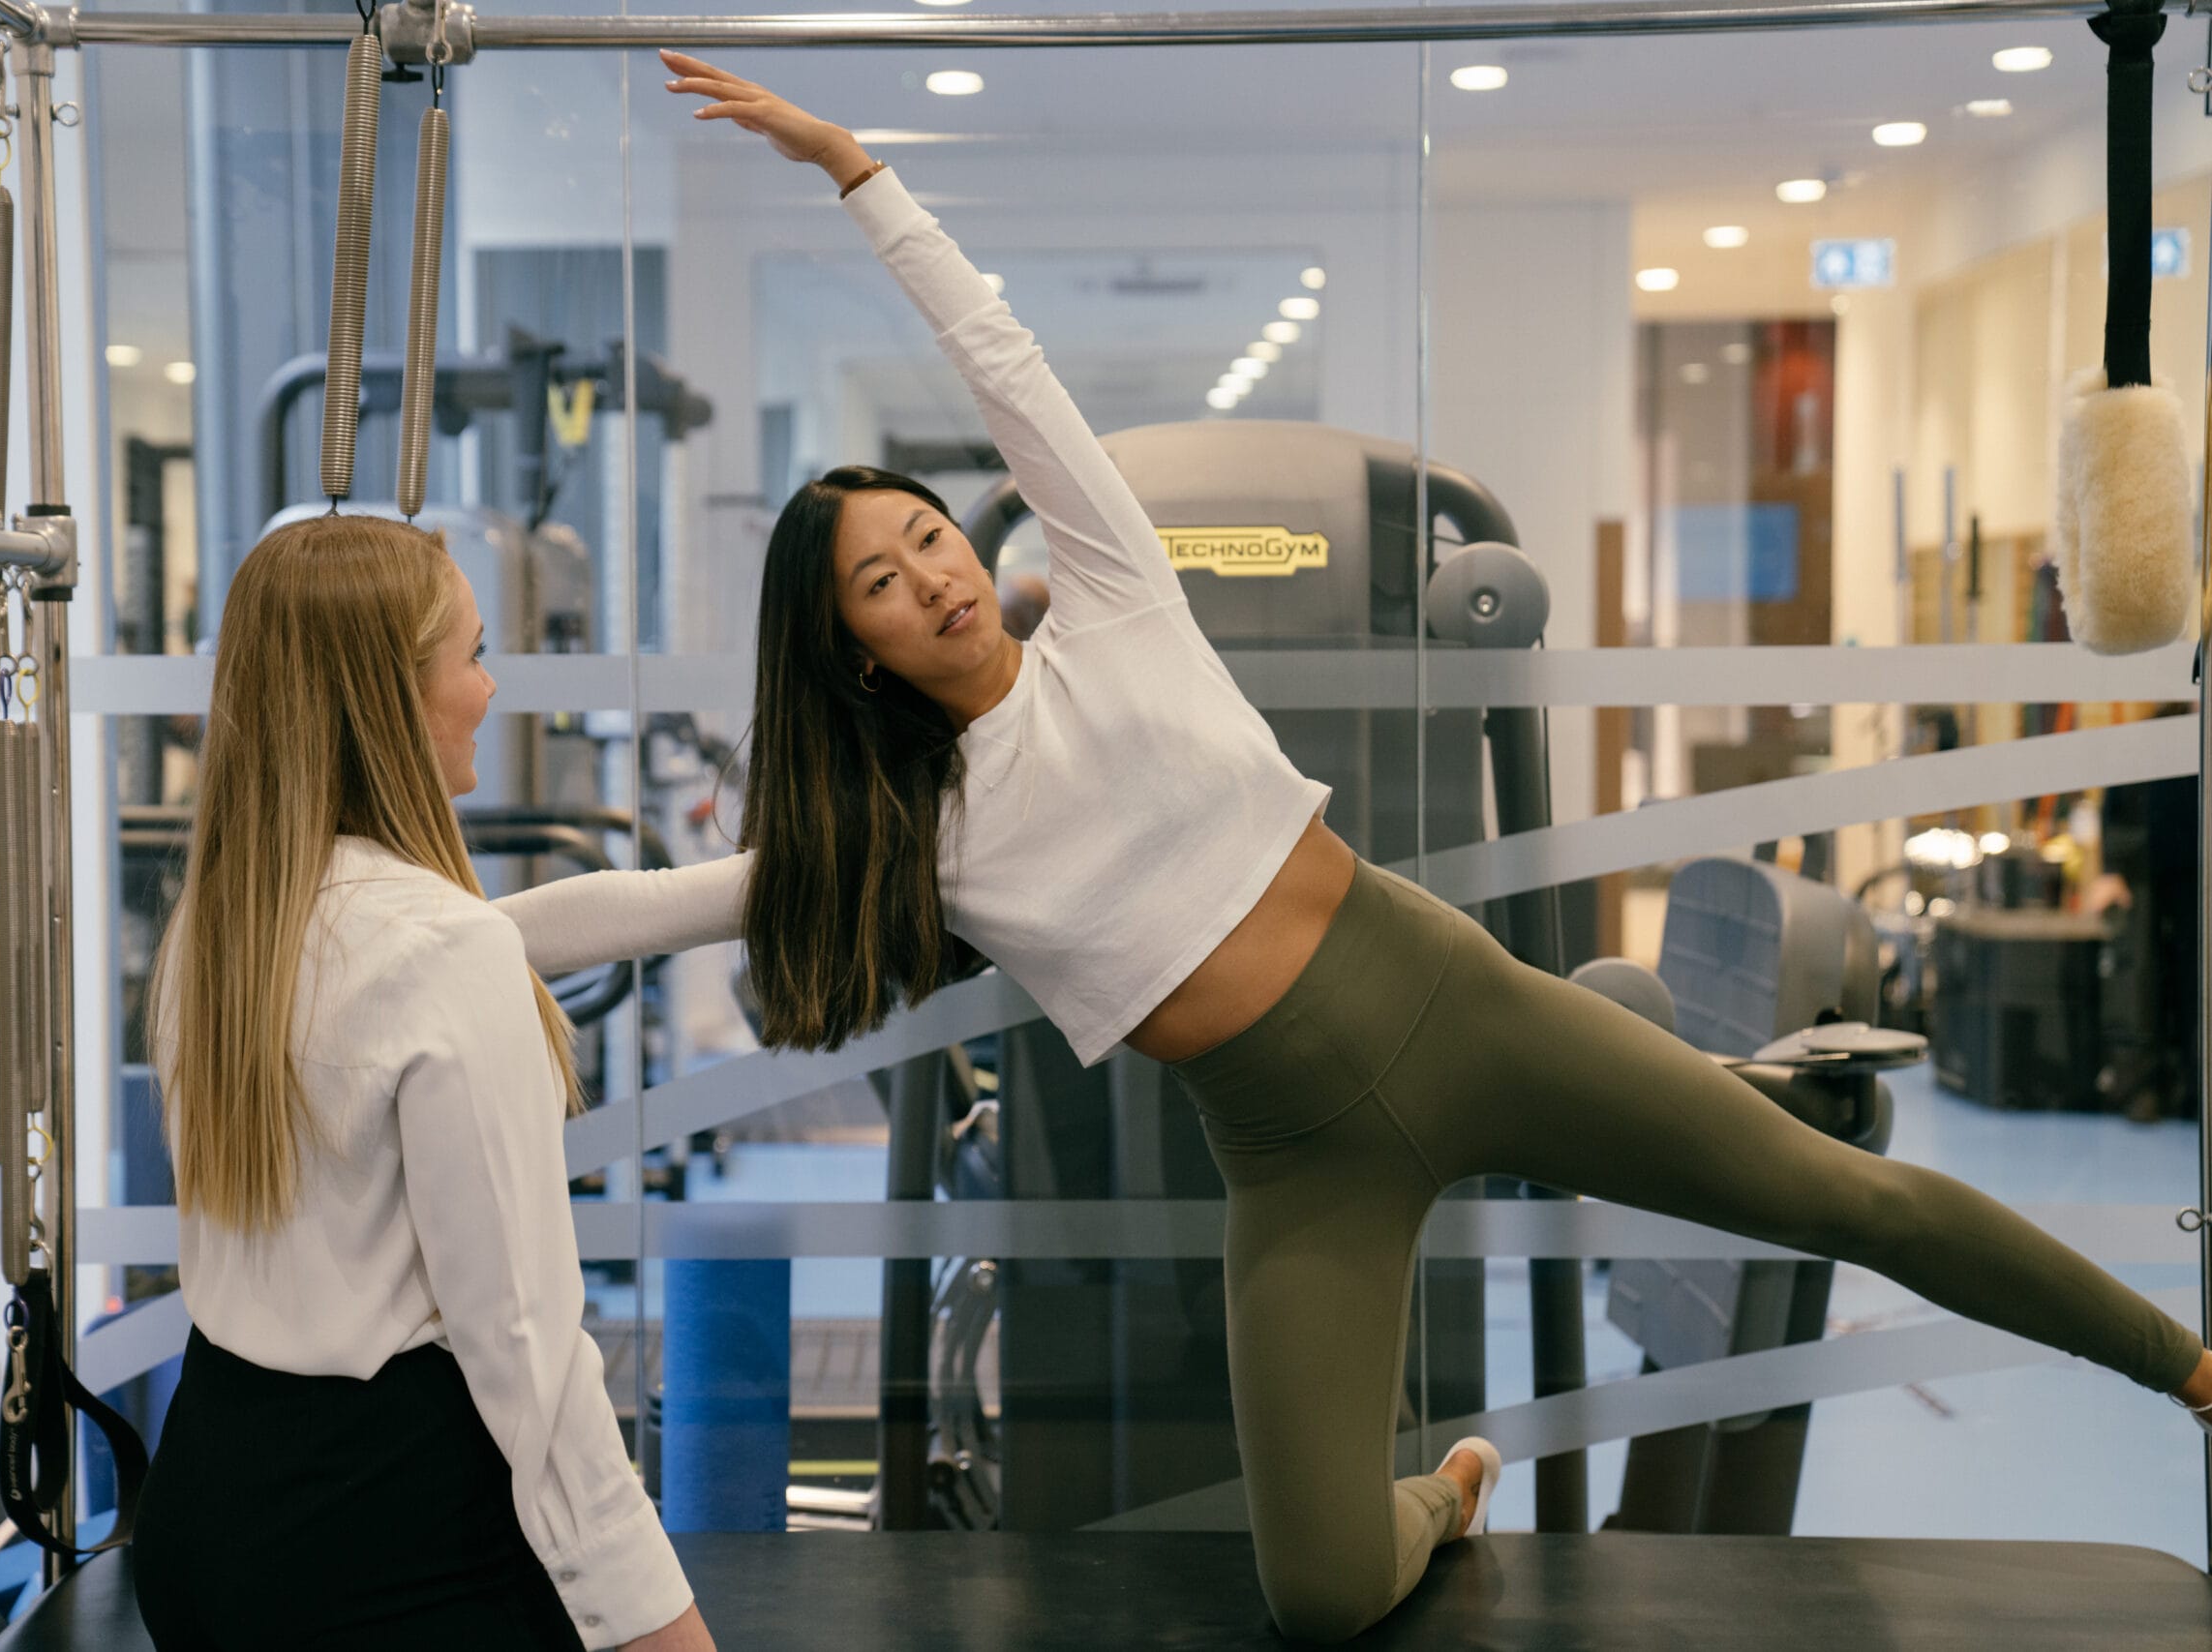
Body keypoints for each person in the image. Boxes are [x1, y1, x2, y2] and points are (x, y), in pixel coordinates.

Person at [490, 54, 2212, 1643]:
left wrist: (861, 171)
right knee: (1320, 1599)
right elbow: (652, 899)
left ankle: (2188, 1364)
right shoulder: (917, 838)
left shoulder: (1113, 596)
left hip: (1452, 1004)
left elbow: (1004, 367)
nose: (934, 574)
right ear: (852, 645)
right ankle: (1447, 1490)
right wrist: (436, 936)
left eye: (929, 536)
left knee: (1840, 1197)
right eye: (884, 578)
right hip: (1298, 1158)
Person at [132, 515, 713, 1652]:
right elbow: (527, 1348)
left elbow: (472, 944)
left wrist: (777, 884)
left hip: (212, 1511)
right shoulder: (437, 953)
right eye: (474, 656)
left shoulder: (228, 922)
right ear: (393, 697)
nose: (492, 689)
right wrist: (656, 1623)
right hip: (391, 1541)